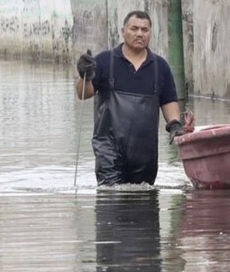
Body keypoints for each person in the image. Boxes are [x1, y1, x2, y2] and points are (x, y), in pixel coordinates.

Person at [75, 10, 184, 186]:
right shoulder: (104, 61)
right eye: (134, 28)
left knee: (143, 204)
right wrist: (84, 75)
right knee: (111, 200)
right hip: (108, 150)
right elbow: (83, 94)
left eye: (144, 30)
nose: (139, 34)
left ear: (150, 33)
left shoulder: (160, 67)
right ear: (123, 31)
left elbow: (168, 100)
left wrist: (174, 124)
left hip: (145, 154)